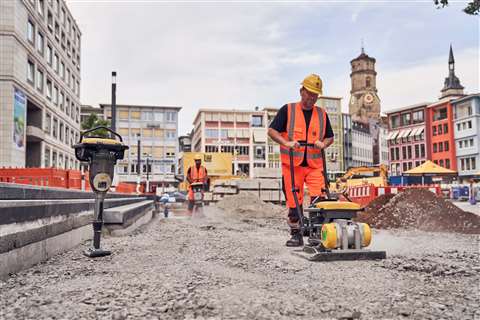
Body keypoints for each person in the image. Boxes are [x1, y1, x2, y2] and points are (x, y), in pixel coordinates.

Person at [267, 74, 334, 247]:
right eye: (309, 93)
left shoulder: (322, 114)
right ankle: (296, 234)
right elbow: (272, 131)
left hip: (314, 166)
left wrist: (322, 144)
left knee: (318, 199)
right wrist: (286, 143)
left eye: (315, 95)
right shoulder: (287, 110)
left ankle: (316, 234)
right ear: (301, 91)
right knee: (293, 200)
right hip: (292, 165)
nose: (312, 97)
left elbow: (330, 137)